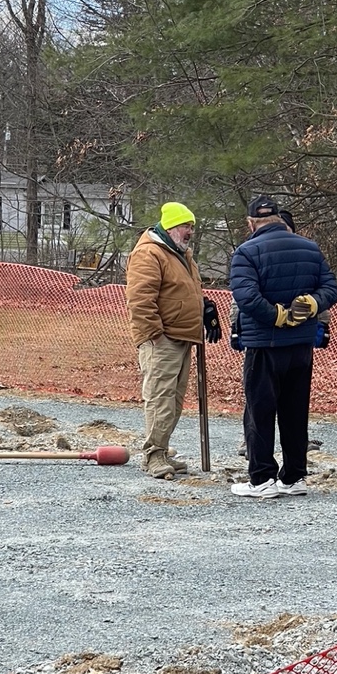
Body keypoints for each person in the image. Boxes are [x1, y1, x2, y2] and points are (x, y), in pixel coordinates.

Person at [229, 194, 337, 499]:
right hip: (301, 344)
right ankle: (294, 477)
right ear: (279, 219)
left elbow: (247, 298)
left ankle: (262, 478)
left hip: (264, 344)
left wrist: (277, 316)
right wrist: (312, 303)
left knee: (260, 411)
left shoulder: (245, 252)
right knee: (295, 411)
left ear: (251, 223)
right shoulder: (309, 248)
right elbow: (331, 289)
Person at [125, 201, 221, 479]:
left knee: (174, 400)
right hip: (162, 338)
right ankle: (154, 455)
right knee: (160, 398)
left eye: (191, 226)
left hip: (182, 336)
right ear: (170, 227)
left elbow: (182, 291)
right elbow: (140, 300)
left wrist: (204, 306)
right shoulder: (149, 253)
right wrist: (154, 334)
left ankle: (162, 450)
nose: (190, 231)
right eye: (185, 226)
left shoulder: (181, 254)